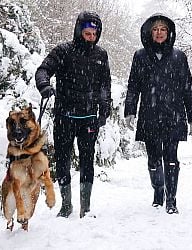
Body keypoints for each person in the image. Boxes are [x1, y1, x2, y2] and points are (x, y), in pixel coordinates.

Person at [35, 11, 112, 218]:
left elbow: (105, 85)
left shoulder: (101, 55)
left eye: (94, 34)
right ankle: (66, 205)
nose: (91, 37)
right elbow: (43, 70)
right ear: (79, 31)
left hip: (89, 119)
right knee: (62, 161)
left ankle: (85, 207)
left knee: (87, 161)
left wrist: (104, 109)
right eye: (87, 33)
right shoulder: (63, 51)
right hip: (64, 117)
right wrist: (44, 85)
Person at [124, 14, 192, 214]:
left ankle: (171, 199)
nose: (159, 33)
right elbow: (133, 86)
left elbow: (187, 87)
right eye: (156, 29)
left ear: (169, 33)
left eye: (163, 29)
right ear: (150, 32)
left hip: (173, 115)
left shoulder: (179, 56)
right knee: (153, 159)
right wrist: (130, 111)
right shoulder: (140, 56)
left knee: (171, 158)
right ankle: (158, 192)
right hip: (149, 114)